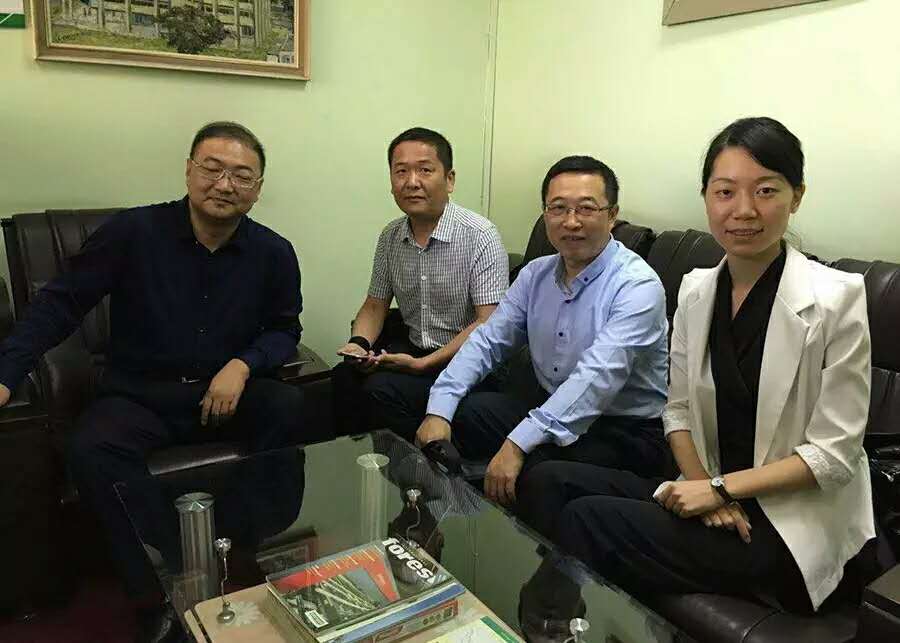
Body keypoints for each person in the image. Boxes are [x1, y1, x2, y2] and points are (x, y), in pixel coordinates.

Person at [517, 117, 874, 613]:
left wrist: (720, 490)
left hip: (783, 517)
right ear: (706, 196)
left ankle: (558, 624)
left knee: (588, 520)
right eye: (725, 191)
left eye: (766, 190)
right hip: (705, 483)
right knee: (546, 479)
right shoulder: (697, 290)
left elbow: (832, 456)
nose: (743, 210)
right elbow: (678, 410)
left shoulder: (838, 299)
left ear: (796, 196)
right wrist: (701, 483)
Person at [0, 121, 311, 641]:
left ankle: (240, 548)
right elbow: (60, 303)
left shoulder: (274, 252)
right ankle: (161, 584)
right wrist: (7, 373)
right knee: (91, 448)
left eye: (241, 175)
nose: (224, 184)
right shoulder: (133, 232)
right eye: (212, 168)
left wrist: (243, 364)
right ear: (189, 171)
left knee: (289, 408)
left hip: (223, 396)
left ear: (257, 189)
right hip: (141, 395)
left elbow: (285, 329)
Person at [417, 156, 670, 505]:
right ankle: (457, 517)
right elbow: (488, 341)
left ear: (612, 215)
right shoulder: (535, 274)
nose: (571, 222)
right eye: (558, 208)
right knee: (464, 413)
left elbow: (595, 380)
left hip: (624, 430)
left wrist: (517, 443)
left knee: (537, 469)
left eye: (586, 209)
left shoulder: (637, 286)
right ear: (545, 213)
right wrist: (439, 409)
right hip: (551, 406)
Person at [332, 127, 508, 439]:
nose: (412, 182)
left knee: (380, 390)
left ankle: (419, 465)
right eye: (401, 171)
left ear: (449, 179)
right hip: (413, 351)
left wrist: (424, 364)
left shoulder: (480, 235)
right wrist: (359, 345)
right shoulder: (391, 236)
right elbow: (375, 305)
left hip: (468, 363)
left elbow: (488, 322)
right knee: (343, 377)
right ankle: (360, 462)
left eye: (425, 170)